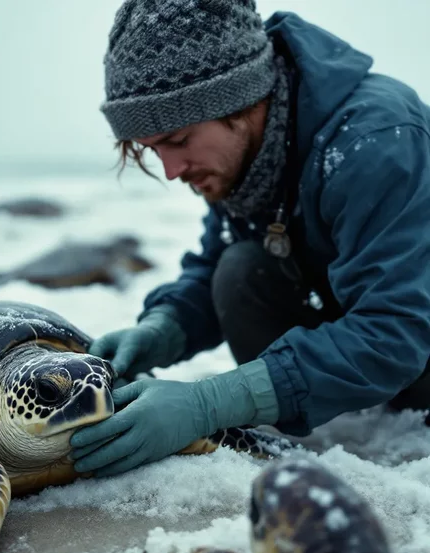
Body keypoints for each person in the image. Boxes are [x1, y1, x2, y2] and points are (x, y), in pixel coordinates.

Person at [70, 1, 430, 478]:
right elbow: (213, 262)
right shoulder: (249, 156)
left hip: (415, 334)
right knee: (237, 269)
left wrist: (210, 404)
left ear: (239, 102)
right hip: (379, 337)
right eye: (151, 150)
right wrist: (162, 330)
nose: (171, 171)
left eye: (178, 140)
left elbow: (396, 329)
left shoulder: (376, 140)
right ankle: (335, 402)